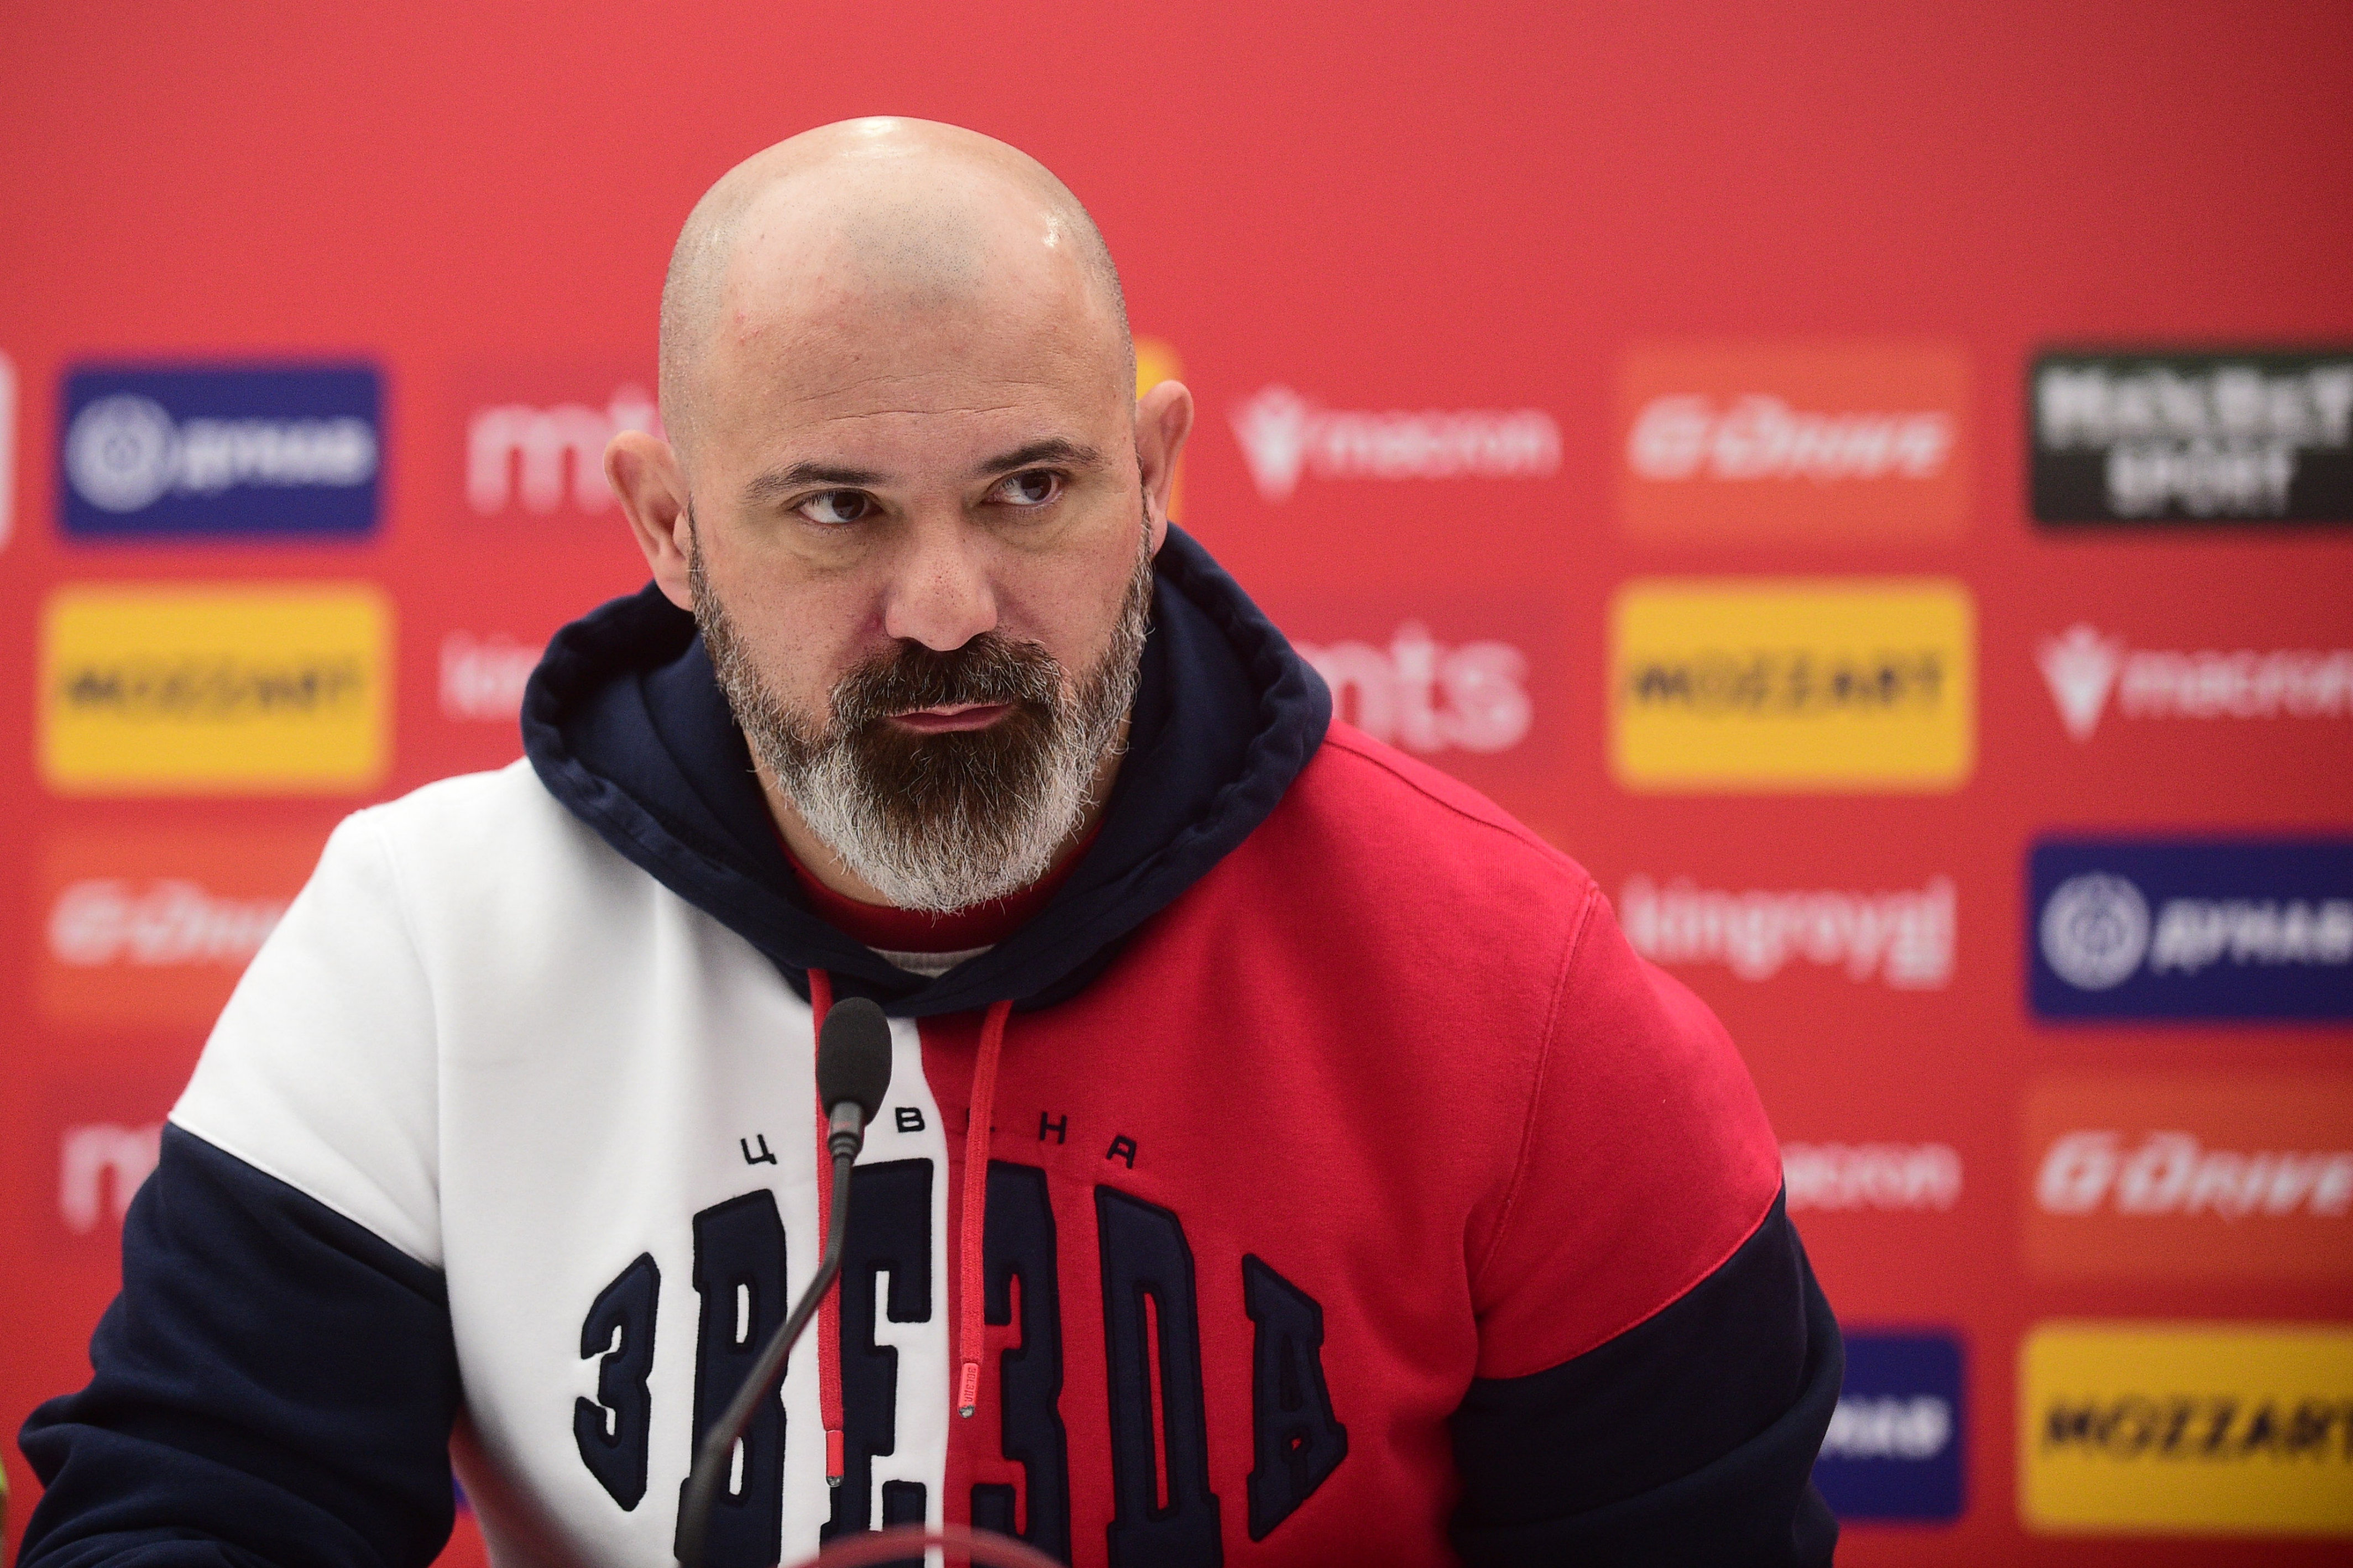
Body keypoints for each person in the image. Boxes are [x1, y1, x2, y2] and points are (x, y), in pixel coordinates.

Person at [20, 118, 1840, 1567]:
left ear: (1155, 477)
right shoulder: (424, 949)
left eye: (1031, 490)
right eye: (838, 510)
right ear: (669, 526)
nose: (951, 608)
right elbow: (187, 1512)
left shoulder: (1509, 984)